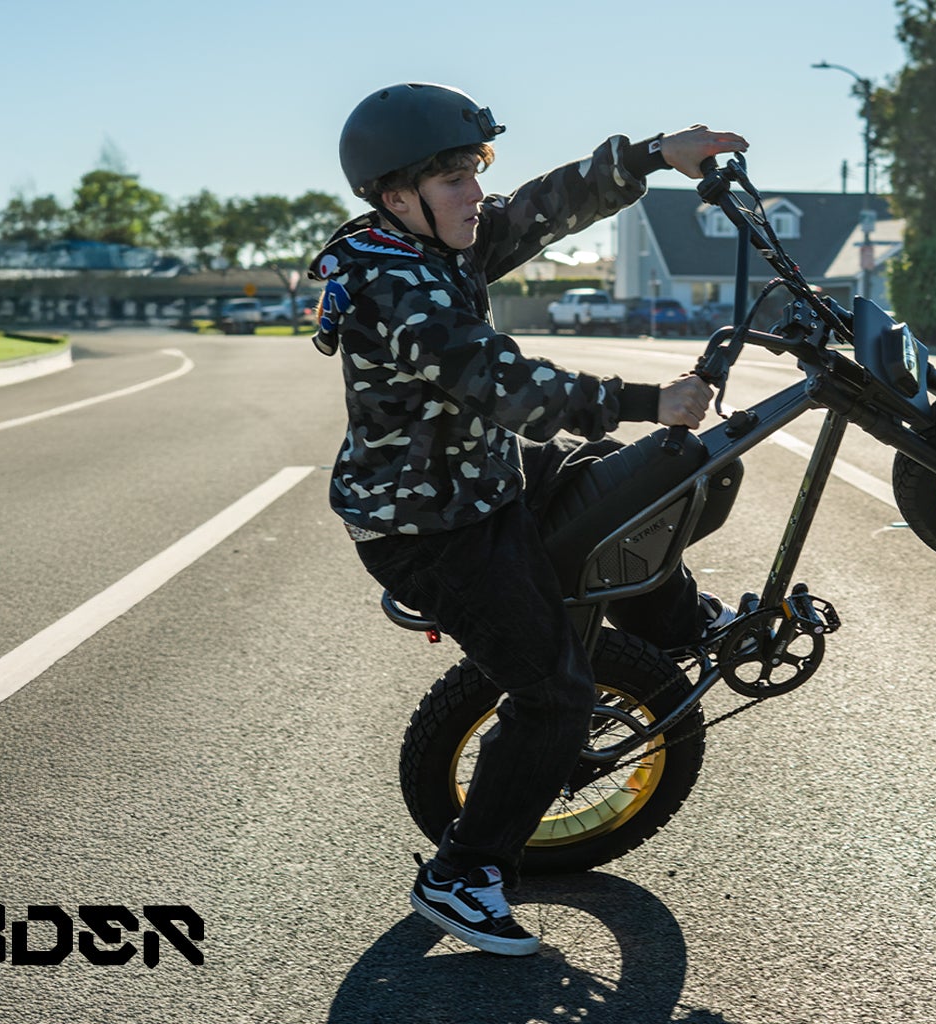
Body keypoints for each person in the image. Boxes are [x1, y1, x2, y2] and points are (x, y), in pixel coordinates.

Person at [307, 81, 748, 957]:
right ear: (397, 196)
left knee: (621, 490)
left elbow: (541, 208)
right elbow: (503, 385)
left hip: (480, 479)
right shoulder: (393, 284)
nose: (477, 193)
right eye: (455, 180)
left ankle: (680, 623)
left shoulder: (435, 240)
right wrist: (646, 399)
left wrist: (656, 155)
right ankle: (463, 873)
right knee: (555, 694)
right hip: (430, 529)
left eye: (474, 172)